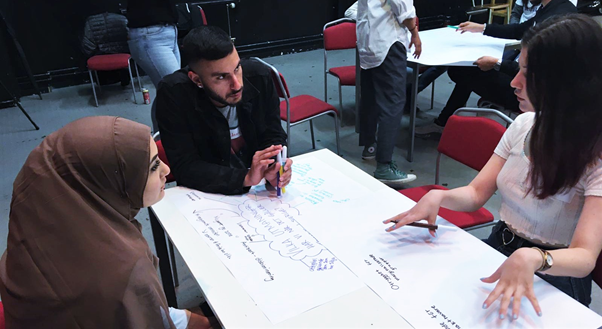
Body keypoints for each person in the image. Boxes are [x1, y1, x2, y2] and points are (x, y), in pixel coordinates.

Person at [385, 14, 602, 320]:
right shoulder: (525, 125)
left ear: (568, 82)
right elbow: (476, 193)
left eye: (528, 73)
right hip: (500, 247)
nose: (514, 81)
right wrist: (440, 197)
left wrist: (535, 257)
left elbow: (584, 256)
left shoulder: (595, 155)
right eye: (519, 68)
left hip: (554, 274)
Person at [0, 116, 211, 328]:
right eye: (154, 166)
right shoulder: (123, 274)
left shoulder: (33, 228)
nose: (166, 170)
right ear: (112, 181)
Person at [155, 26, 292, 195]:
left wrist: (273, 166)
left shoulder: (260, 77)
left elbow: (273, 133)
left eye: (237, 68)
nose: (237, 85)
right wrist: (246, 178)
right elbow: (185, 166)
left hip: (256, 194)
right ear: (197, 79)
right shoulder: (173, 94)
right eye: (221, 77)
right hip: (205, 193)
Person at [415, 0, 576, 137]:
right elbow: (519, 30)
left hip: (532, 94)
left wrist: (497, 63)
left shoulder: (559, 18)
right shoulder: (550, 8)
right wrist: (482, 28)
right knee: (468, 70)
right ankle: (445, 121)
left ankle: (444, 122)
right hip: (526, 80)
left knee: (464, 72)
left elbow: (540, 72)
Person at [356, 0, 421, 185]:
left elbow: (354, 10)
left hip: (368, 42)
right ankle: (384, 166)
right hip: (388, 42)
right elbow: (404, 9)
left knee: (371, 97)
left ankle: (370, 147)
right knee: (393, 103)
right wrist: (414, 33)